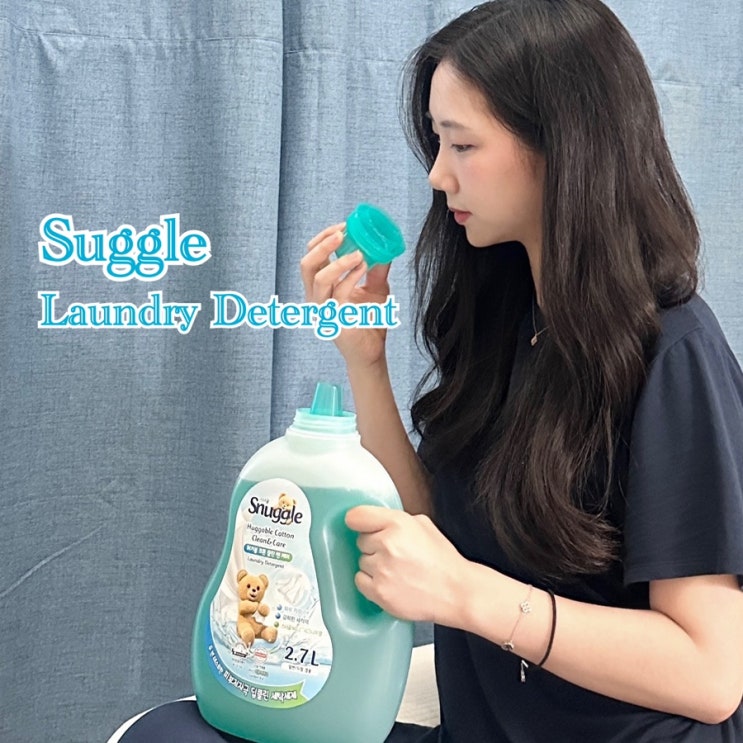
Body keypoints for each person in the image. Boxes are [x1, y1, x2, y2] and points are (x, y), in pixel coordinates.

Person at [118, 1, 743, 741]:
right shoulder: (512, 318)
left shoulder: (672, 353)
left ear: (565, 147)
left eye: (462, 144)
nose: (439, 175)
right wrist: (365, 359)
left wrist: (467, 595)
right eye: (437, 142)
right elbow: (436, 534)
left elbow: (710, 673)